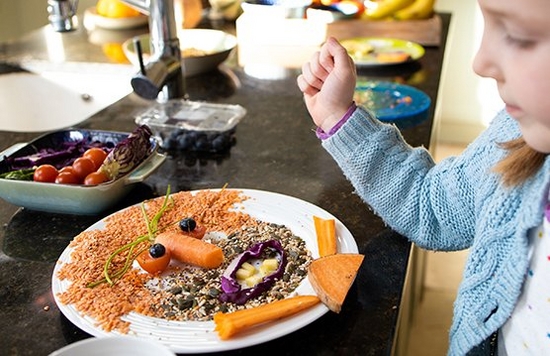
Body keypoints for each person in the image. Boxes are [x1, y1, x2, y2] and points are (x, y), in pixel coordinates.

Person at [297, 0, 550, 354]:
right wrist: (338, 117)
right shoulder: (518, 138)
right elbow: (430, 205)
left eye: (519, 35)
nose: (480, 63)